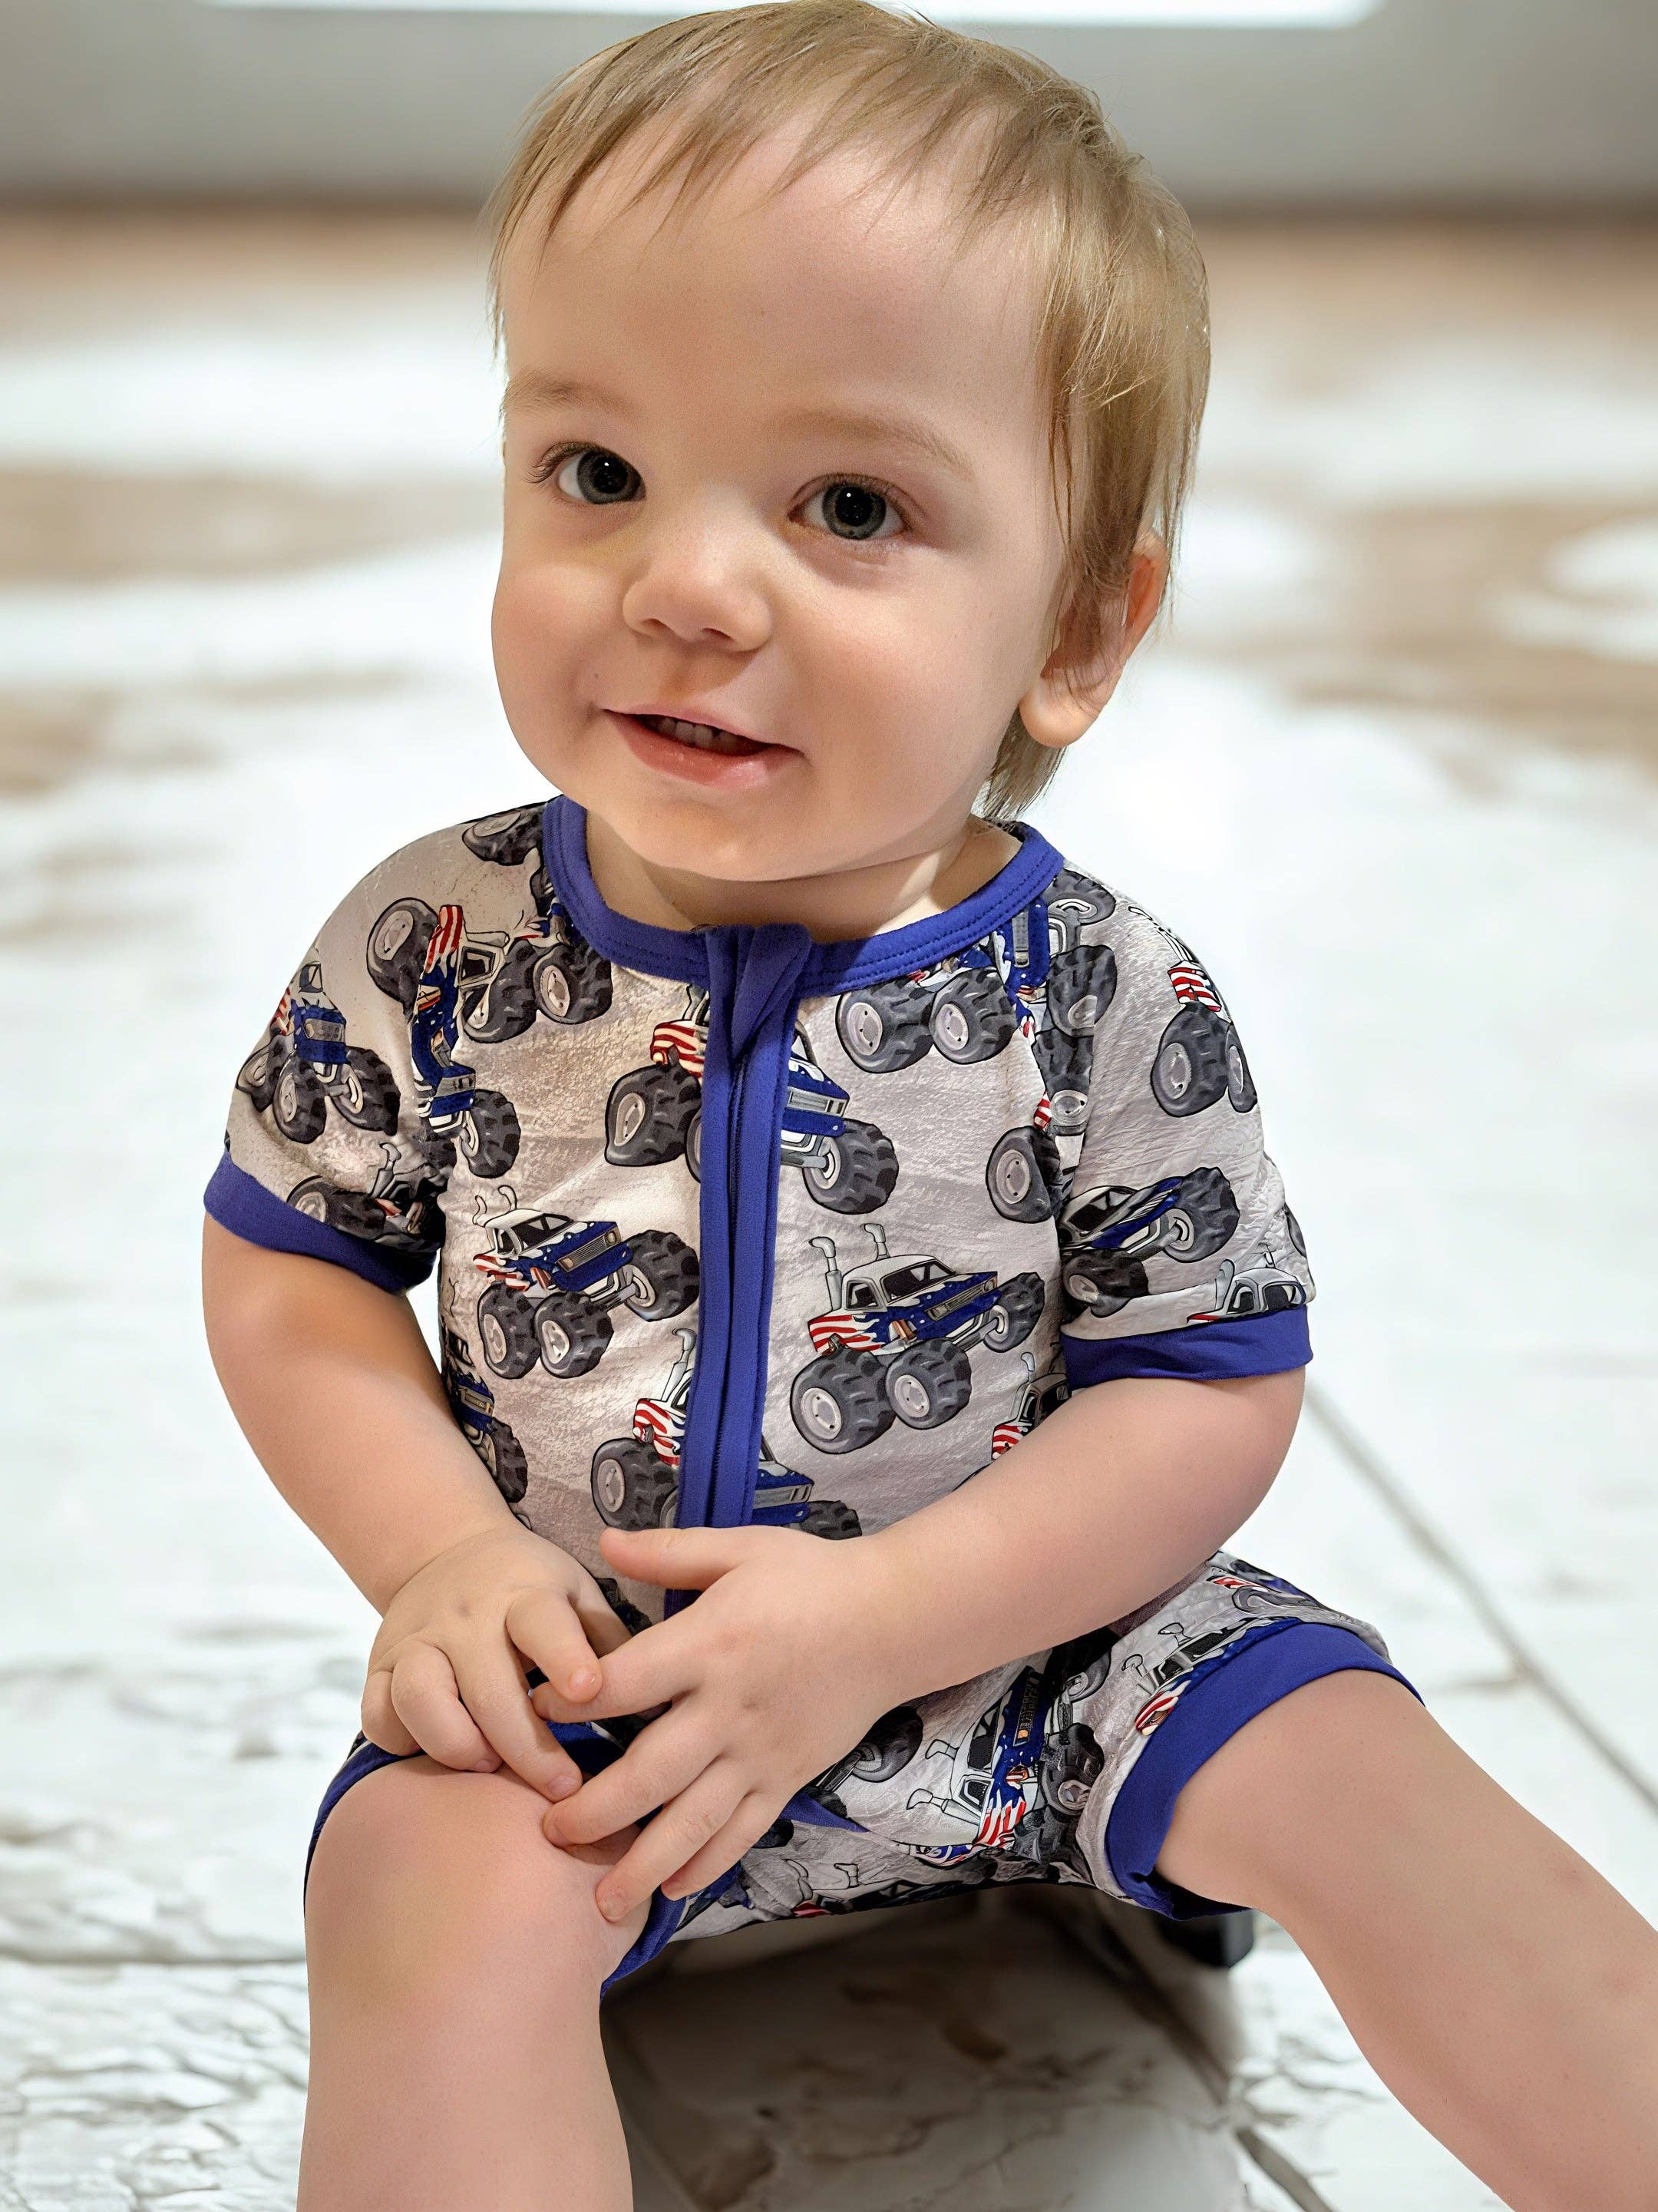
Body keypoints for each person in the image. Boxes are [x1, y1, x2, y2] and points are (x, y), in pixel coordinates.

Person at [198, 5, 1658, 2205]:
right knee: (418, 1887)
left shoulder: (1101, 994)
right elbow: (291, 1273)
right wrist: (442, 1557)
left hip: (1052, 1654)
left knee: (1372, 1769)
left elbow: (1204, 1388)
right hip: (609, 1681)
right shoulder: (433, 946)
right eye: (595, 472)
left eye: (851, 506)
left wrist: (888, 1623)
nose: (685, 585)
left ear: (1077, 631)